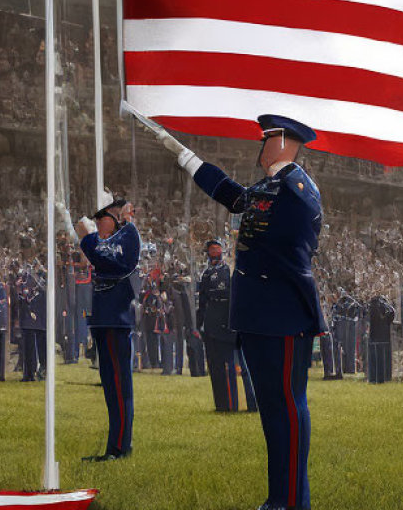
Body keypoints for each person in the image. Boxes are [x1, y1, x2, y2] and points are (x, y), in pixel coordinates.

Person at [161, 114, 324, 510]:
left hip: (283, 311)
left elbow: (300, 236)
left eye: (267, 139)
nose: (260, 147)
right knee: (271, 409)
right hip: (258, 313)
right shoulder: (270, 187)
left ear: (284, 142)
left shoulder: (297, 187)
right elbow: (230, 193)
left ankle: (290, 501)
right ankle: (278, 498)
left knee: (286, 406)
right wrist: (187, 158)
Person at [76, 191, 140, 461]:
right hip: (103, 319)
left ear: (114, 215)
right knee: (110, 387)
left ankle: (120, 448)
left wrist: (88, 238)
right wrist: (91, 239)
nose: (97, 224)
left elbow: (106, 258)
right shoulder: (107, 238)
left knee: (119, 385)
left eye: (100, 218)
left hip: (117, 320)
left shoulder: (129, 234)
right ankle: (114, 446)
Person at [198, 239, 241, 411]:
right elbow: (202, 301)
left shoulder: (228, 269)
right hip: (211, 322)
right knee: (214, 366)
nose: (215, 252)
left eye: (217, 248)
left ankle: (231, 404)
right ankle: (220, 404)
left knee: (227, 365)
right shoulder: (207, 273)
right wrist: (198, 325)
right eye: (211, 249)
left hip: (225, 320)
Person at [17, 266, 47, 382]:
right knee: (28, 349)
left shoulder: (43, 287)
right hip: (27, 321)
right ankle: (28, 373)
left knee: (41, 349)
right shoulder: (24, 287)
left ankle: (42, 371)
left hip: (40, 321)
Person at [366, 295, 395, 384]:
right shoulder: (386, 306)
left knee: (374, 358)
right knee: (382, 358)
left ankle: (373, 378)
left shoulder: (372, 306)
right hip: (383, 336)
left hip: (374, 335)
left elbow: (367, 318)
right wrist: (386, 322)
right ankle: (383, 378)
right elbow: (392, 313)